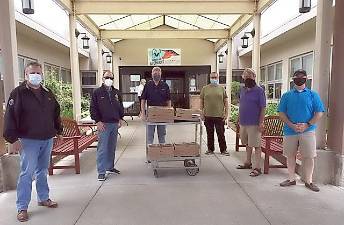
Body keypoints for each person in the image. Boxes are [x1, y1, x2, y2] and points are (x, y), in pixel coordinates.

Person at [3, 62, 63, 222]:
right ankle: (22, 207)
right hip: (28, 140)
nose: (36, 75)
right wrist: (12, 139)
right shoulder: (18, 93)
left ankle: (44, 198)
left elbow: (55, 113)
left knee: (42, 170)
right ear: (26, 75)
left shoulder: (48, 93)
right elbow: (10, 117)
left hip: (47, 138)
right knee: (26, 173)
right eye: (32, 73)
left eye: (38, 72)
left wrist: (59, 131)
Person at [278, 69, 324, 192]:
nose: (299, 78)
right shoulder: (286, 95)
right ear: (293, 79)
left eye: (301, 76)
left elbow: (319, 113)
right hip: (290, 130)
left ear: (306, 79)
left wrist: (307, 125)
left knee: (309, 156)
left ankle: (309, 181)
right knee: (290, 155)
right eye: (296, 76)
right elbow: (281, 113)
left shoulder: (313, 95)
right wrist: (291, 125)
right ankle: (291, 179)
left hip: (308, 131)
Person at [90, 70, 124, 181]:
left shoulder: (117, 92)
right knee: (102, 148)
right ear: (103, 78)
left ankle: (110, 167)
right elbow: (93, 108)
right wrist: (97, 121)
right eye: (107, 77)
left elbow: (120, 106)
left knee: (111, 147)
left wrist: (120, 118)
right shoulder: (97, 92)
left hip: (114, 124)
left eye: (111, 78)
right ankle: (101, 171)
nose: (109, 79)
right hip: (103, 124)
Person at [236, 68, 266, 177]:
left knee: (256, 145)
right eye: (245, 75)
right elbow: (241, 104)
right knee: (247, 143)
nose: (247, 77)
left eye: (250, 75)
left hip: (254, 123)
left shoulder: (259, 91)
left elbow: (263, 107)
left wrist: (261, 122)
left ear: (254, 77)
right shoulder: (242, 90)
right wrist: (238, 118)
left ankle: (257, 167)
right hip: (243, 122)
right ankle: (248, 163)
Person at [200, 72, 230, 156]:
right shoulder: (205, 88)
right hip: (208, 115)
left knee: (221, 134)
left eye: (215, 77)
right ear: (210, 78)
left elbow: (226, 102)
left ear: (218, 78)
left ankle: (223, 150)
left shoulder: (222, 88)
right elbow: (201, 102)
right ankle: (210, 149)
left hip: (219, 116)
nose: (214, 79)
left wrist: (226, 113)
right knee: (210, 134)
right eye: (212, 77)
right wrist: (201, 113)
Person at [140, 67, 171, 144]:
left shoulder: (165, 85)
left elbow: (168, 100)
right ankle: (150, 152)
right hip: (150, 115)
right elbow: (143, 100)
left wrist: (169, 113)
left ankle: (161, 152)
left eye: (158, 71)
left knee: (162, 135)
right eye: (154, 71)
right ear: (152, 73)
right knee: (149, 136)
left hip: (162, 114)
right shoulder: (147, 85)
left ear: (161, 74)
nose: (156, 73)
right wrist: (143, 114)